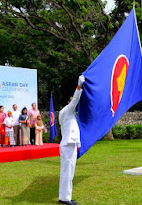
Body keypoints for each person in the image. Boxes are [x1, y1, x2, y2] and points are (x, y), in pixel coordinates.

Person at [58, 75, 85, 205]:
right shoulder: (66, 112)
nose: (73, 103)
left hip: (71, 145)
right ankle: (64, 198)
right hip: (67, 145)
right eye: (71, 101)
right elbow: (75, 100)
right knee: (67, 173)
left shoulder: (71, 114)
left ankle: (66, 196)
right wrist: (79, 86)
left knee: (70, 173)